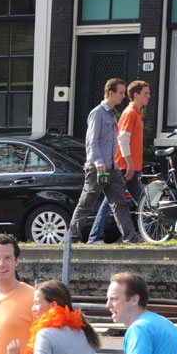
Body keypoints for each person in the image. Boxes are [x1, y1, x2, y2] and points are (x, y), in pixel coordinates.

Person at [68, 77, 141, 243]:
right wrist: (99, 162)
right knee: (87, 202)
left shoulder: (113, 115)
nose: (124, 96)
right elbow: (91, 141)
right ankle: (71, 237)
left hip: (112, 168)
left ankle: (131, 238)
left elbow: (111, 143)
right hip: (97, 168)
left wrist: (114, 164)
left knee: (120, 203)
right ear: (111, 93)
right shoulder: (97, 114)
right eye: (121, 93)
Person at [88, 80, 151, 244]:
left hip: (129, 166)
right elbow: (123, 140)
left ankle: (144, 234)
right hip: (124, 167)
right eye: (146, 93)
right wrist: (130, 163)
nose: (149, 96)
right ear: (135, 95)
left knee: (139, 202)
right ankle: (96, 237)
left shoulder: (136, 113)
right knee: (114, 203)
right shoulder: (130, 113)